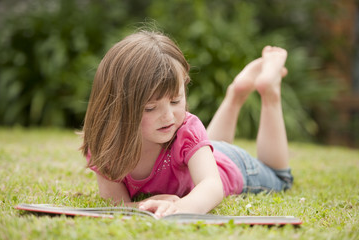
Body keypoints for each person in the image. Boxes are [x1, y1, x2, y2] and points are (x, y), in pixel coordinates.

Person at [80, 30, 293, 218]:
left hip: (232, 165)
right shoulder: (105, 147)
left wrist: (180, 207)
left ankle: (269, 92)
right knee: (207, 143)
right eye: (150, 108)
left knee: (281, 179)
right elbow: (117, 206)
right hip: (202, 152)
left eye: (175, 101)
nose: (168, 117)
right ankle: (236, 94)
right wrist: (149, 206)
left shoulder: (185, 129)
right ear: (117, 108)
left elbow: (212, 186)